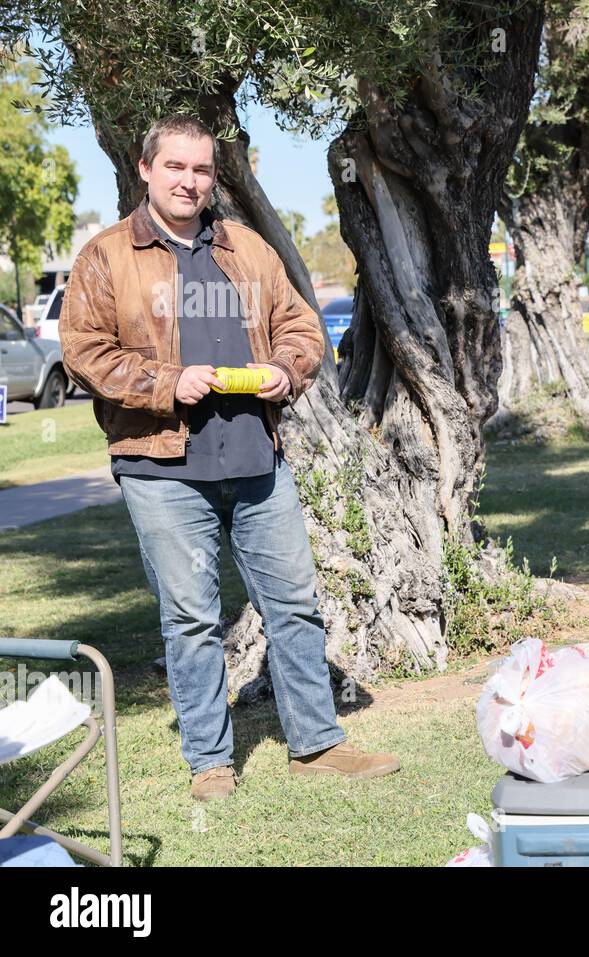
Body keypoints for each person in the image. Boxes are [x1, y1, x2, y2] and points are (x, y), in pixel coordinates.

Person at [61, 114, 400, 802]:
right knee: (189, 618)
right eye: (177, 167)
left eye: (203, 169)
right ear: (146, 169)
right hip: (161, 466)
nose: (191, 181)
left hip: (256, 459)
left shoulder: (245, 246)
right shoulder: (105, 256)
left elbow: (300, 327)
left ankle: (316, 744)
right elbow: (84, 351)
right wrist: (165, 383)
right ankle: (211, 761)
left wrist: (287, 367)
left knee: (295, 606)